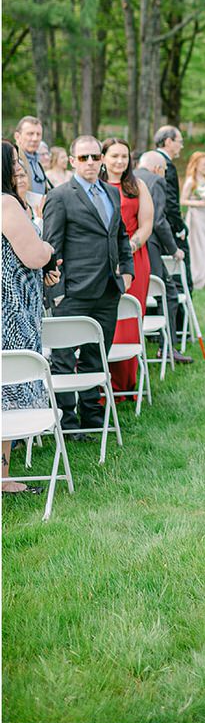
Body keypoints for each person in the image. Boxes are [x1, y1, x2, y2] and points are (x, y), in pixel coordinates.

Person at [42, 135, 134, 435]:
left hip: (108, 290)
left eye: (95, 156)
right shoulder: (60, 196)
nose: (91, 162)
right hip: (73, 292)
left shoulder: (111, 192)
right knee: (64, 359)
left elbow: (120, 236)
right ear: (73, 161)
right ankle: (67, 422)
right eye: (84, 158)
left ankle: (93, 416)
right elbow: (52, 246)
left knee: (97, 354)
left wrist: (127, 271)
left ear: (102, 159)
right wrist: (56, 292)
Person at [1, 141, 56, 495]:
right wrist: (48, 250)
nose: (21, 166)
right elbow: (34, 255)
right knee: (7, 389)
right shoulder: (5, 203)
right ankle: (2, 476)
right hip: (9, 310)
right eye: (15, 162)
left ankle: (3, 474)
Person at [100, 138, 154, 396]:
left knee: (129, 319)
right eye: (115, 156)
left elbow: (147, 224)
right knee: (105, 316)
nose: (120, 161)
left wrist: (128, 248)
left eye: (124, 156)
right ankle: (101, 380)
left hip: (134, 257)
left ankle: (125, 383)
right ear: (103, 158)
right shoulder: (96, 186)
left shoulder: (137, 185)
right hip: (102, 259)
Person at [135, 152, 193, 364]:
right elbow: (159, 220)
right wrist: (173, 248)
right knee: (168, 294)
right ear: (158, 169)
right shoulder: (156, 181)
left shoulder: (130, 178)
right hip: (149, 247)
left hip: (129, 247)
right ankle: (166, 347)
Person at [154, 125, 193, 292]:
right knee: (181, 276)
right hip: (168, 229)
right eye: (180, 142)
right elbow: (170, 202)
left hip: (155, 231)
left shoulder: (150, 161)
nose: (181, 146)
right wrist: (180, 228)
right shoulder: (166, 166)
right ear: (168, 142)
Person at [181, 151, 205, 289]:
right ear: (196, 165)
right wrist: (199, 203)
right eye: (204, 164)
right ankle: (198, 276)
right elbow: (182, 200)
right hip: (196, 217)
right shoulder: (191, 182)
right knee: (198, 247)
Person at [14, 116, 50, 221]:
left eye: (38, 134)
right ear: (17, 136)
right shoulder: (13, 161)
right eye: (30, 134)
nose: (35, 138)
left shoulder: (38, 162)